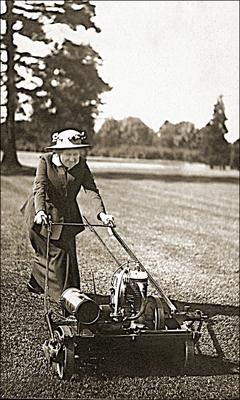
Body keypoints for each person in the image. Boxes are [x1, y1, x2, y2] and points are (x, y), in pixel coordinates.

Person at [21, 128, 114, 301]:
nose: (72, 158)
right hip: (42, 213)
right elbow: (39, 187)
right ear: (58, 151)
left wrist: (102, 215)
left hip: (67, 217)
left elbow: (91, 190)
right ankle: (65, 298)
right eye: (68, 154)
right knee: (55, 255)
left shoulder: (81, 165)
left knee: (67, 255)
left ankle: (39, 284)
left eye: (76, 154)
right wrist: (40, 211)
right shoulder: (46, 161)